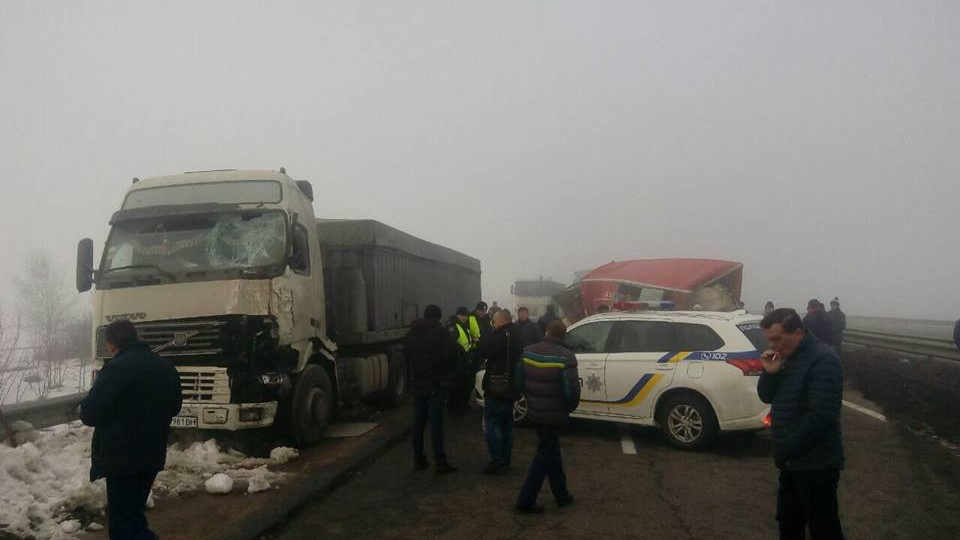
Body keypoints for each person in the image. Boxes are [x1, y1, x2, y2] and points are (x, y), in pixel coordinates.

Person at [79, 319, 183, 540]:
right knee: (131, 518)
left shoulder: (115, 369)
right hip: (152, 455)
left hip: (122, 459)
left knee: (126, 526)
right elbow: (175, 407)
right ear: (134, 337)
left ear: (112, 344)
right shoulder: (165, 367)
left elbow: (89, 414)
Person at [758, 308, 845, 540]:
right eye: (769, 340)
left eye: (777, 339)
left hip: (818, 464)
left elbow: (821, 416)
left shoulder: (823, 359)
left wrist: (785, 446)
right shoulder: (786, 357)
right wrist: (771, 372)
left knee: (823, 528)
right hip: (792, 462)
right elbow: (766, 396)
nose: (773, 345)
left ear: (798, 332)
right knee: (788, 522)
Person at [514, 320, 580, 514]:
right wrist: (569, 408)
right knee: (544, 455)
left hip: (535, 410)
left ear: (546, 332)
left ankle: (562, 495)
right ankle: (525, 500)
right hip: (554, 413)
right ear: (563, 335)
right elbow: (572, 390)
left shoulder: (528, 351)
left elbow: (519, 380)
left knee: (551, 451)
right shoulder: (566, 356)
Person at [403, 304, 459, 474]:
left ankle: (418, 459)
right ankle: (440, 462)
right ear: (438, 316)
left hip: (418, 384)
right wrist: (448, 374)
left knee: (418, 423)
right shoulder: (441, 333)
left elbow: (407, 356)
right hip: (436, 384)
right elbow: (451, 356)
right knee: (436, 425)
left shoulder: (411, 334)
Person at [478, 310, 523, 474]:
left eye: (494, 321)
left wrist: (488, 335)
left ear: (500, 321)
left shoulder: (499, 336)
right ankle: (506, 458)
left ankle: (497, 460)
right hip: (511, 386)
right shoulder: (517, 335)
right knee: (507, 424)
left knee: (492, 423)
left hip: (497, 386)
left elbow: (484, 350)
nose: (493, 324)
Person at [446, 306, 476, 415]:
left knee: (465, 386)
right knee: (455, 388)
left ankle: (462, 406)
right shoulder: (453, 327)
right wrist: (460, 354)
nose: (465, 318)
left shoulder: (464, 327)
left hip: (465, 362)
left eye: (466, 316)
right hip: (456, 363)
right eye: (463, 315)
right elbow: (449, 345)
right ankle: (454, 408)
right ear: (458, 315)